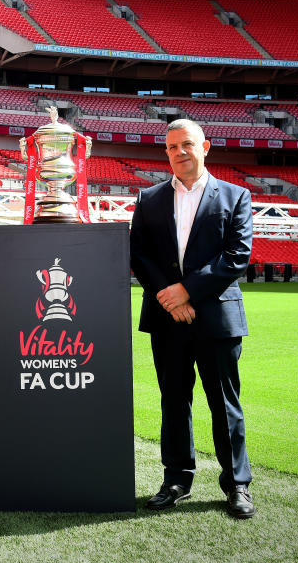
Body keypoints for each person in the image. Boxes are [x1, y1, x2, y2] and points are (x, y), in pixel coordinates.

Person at [129, 118, 256, 519]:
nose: (179, 152)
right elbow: (140, 255)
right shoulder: (148, 198)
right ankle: (176, 480)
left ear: (205, 147)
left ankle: (237, 484)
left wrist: (188, 291)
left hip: (216, 318)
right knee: (173, 403)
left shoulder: (236, 196)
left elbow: (237, 256)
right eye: (171, 147)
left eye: (186, 144)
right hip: (168, 318)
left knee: (225, 404)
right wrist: (171, 298)